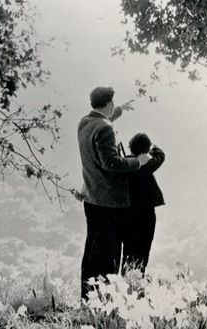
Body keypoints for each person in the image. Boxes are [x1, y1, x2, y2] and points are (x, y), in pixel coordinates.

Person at [77, 86, 151, 299]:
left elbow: (101, 125)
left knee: (92, 250)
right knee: (108, 254)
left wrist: (119, 110)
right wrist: (138, 161)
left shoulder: (84, 123)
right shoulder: (105, 128)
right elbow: (111, 162)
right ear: (108, 103)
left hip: (92, 198)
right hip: (109, 203)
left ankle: (88, 297)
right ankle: (104, 300)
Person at [122, 133, 165, 274]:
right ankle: (137, 282)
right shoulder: (147, 164)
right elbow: (161, 155)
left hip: (128, 214)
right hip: (146, 214)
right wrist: (151, 148)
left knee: (128, 251)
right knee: (143, 251)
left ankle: (124, 283)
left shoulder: (126, 163)